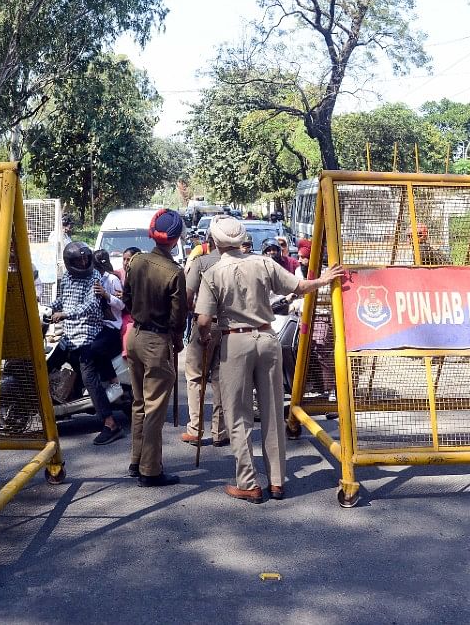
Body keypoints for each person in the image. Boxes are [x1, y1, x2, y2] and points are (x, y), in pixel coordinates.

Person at [196, 217, 345, 503]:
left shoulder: (213, 273)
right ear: (242, 240)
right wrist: (324, 280)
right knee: (274, 412)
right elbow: (298, 287)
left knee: (238, 416)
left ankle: (249, 483)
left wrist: (205, 337)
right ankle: (277, 481)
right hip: (267, 338)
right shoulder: (262, 263)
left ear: (215, 243)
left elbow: (203, 320)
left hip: (235, 341)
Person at [122, 209, 187, 486]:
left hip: (134, 336)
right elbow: (178, 317)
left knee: (139, 404)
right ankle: (150, 470)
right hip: (155, 341)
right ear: (174, 240)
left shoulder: (135, 261)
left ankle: (136, 461)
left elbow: (126, 298)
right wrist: (176, 338)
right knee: (154, 408)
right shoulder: (174, 272)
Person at [50, 243, 122, 445]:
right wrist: (46, 308)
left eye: (85, 259)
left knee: (89, 377)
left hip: (88, 335)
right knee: (49, 362)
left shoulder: (94, 278)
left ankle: (110, 424)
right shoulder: (66, 278)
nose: (82, 263)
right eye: (78, 260)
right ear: (69, 263)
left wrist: (65, 314)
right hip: (69, 335)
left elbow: (91, 305)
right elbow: (62, 300)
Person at [180, 227, 227, 448]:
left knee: (196, 376)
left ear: (210, 242)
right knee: (220, 379)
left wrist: (191, 312)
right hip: (231, 327)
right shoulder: (243, 263)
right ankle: (220, 431)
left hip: (204, 323)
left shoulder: (201, 262)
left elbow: (187, 296)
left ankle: (195, 428)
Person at [91, 249, 126, 404]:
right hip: (95, 325)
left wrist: (106, 294)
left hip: (111, 326)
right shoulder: (91, 279)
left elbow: (121, 304)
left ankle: (114, 382)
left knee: (96, 348)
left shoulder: (112, 280)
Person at [119, 247, 141, 351]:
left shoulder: (142, 277)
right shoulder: (118, 274)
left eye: (129, 259)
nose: (125, 263)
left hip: (133, 316)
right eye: (124, 259)